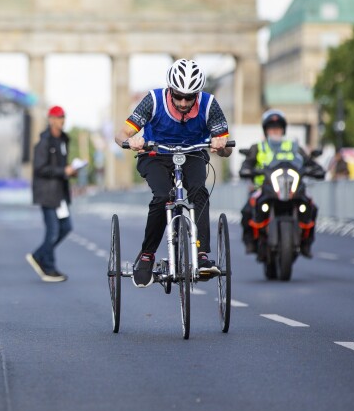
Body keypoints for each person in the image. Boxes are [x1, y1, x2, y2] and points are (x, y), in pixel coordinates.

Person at [114, 59, 233, 288]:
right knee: (162, 196)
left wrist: (221, 145)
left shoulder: (210, 105)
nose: (183, 102)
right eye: (178, 95)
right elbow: (121, 134)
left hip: (193, 153)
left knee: (199, 191)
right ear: (170, 90)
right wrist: (132, 140)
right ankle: (147, 255)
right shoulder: (154, 100)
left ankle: (201, 253)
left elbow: (226, 149)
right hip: (155, 154)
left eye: (190, 97)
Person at [239, 109, 325, 258]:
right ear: (266, 130)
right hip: (264, 187)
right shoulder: (258, 148)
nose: (275, 131)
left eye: (278, 128)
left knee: (312, 207)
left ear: (283, 130)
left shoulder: (294, 147)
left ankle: (306, 243)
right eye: (272, 128)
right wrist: (247, 170)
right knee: (247, 210)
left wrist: (316, 170)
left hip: (292, 188)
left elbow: (309, 162)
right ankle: (250, 242)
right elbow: (247, 164)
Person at [26, 105, 76, 283]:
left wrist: (71, 171)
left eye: (63, 117)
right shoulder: (44, 142)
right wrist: (64, 170)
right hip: (47, 193)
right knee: (53, 231)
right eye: (58, 117)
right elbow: (40, 168)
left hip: (60, 193)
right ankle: (49, 267)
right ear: (50, 120)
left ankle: (40, 256)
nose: (61, 120)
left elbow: (61, 166)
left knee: (66, 227)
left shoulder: (63, 139)